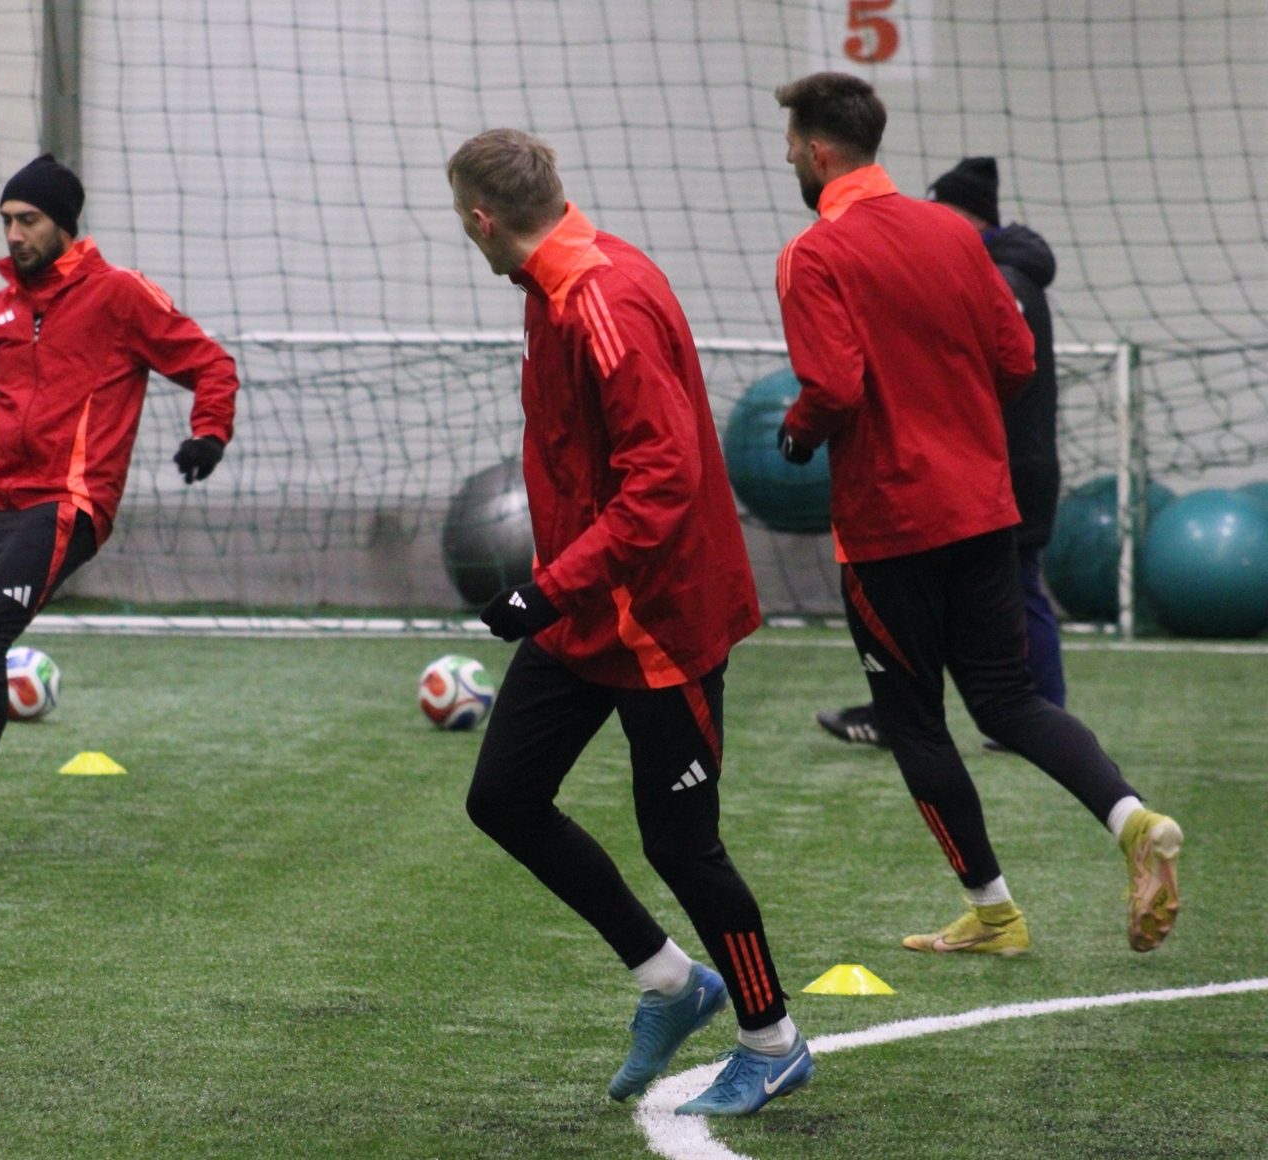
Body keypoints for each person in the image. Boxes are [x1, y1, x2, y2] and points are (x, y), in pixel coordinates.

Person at [772, 74, 1183, 956]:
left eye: (791, 147)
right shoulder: (957, 235)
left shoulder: (814, 253)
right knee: (1009, 701)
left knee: (914, 722)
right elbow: (1017, 358)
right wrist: (952, 415)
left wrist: (798, 432)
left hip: (890, 525)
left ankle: (996, 915)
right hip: (984, 508)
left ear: (818, 151)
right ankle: (1134, 819)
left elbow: (833, 388)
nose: (791, 161)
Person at [449, 129, 813, 1118]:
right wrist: (561, 593)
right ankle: (669, 981)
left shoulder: (601, 300)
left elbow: (662, 483)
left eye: (462, 223)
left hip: (659, 621)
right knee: (504, 797)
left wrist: (545, 588)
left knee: (682, 845)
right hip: (586, 614)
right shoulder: (551, 286)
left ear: (482, 219)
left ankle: (772, 1039)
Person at [0, 154, 238, 865]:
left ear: (62, 224)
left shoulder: (119, 294)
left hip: (66, 506)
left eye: (28, 220)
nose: (14, 234)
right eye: (7, 221)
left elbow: (211, 363)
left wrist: (209, 432)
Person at [816, 156, 1066, 749]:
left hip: (1001, 463)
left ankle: (1032, 715)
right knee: (995, 591)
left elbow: (1000, 368)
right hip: (1000, 461)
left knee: (1003, 590)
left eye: (940, 212)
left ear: (969, 217)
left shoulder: (1003, 280)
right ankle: (1012, 714)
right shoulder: (1006, 273)